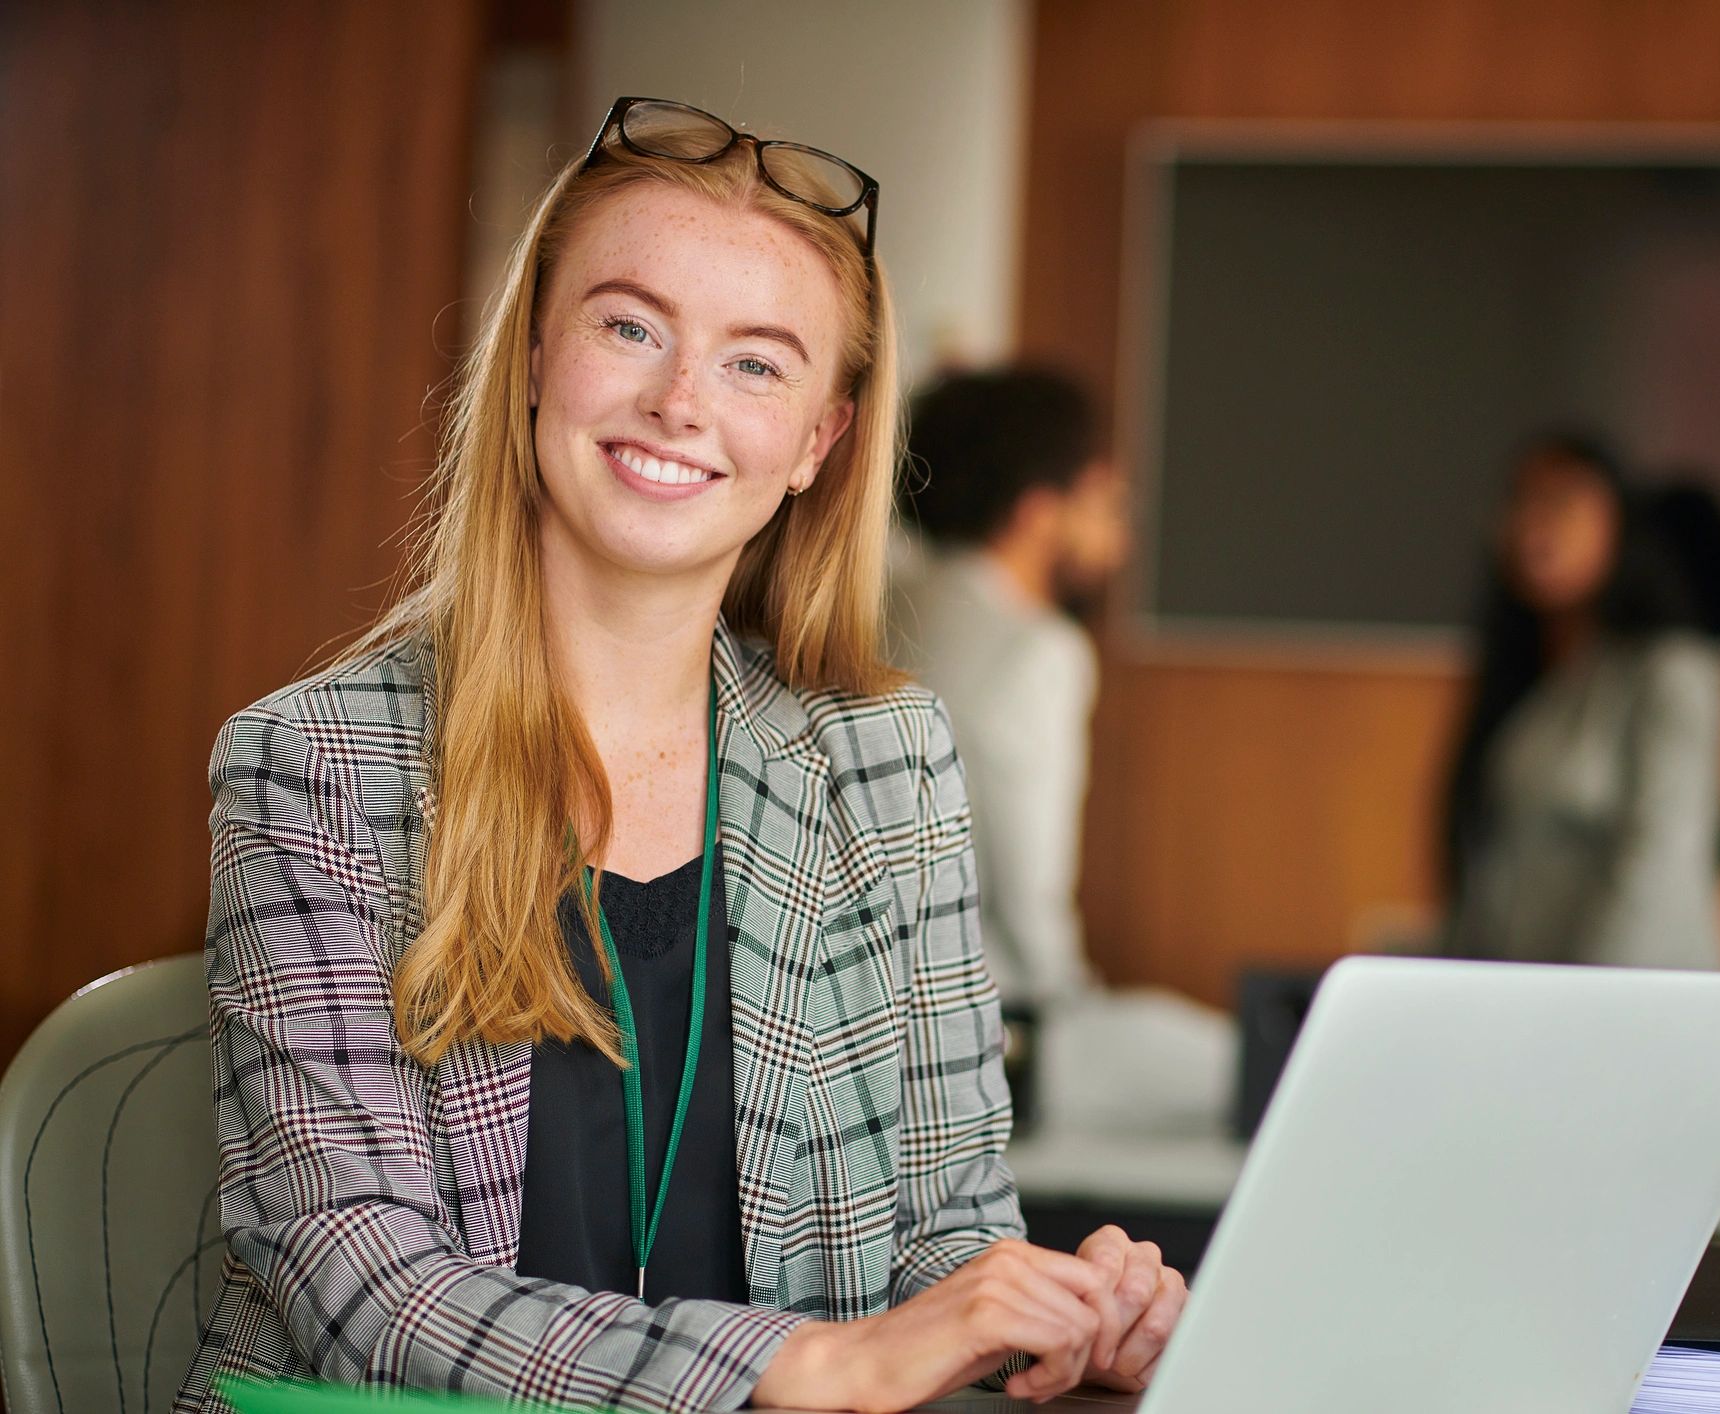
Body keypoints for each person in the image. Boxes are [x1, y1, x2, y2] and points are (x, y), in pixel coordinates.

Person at [176, 98, 1184, 1414]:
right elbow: (359, 1278)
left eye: (758, 363)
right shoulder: (315, 762)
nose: (679, 401)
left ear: (821, 440)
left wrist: (1042, 1310)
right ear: (538, 352)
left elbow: (941, 1227)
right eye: (630, 326)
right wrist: (802, 1359)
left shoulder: (884, 764)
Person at [890, 370, 1233, 1134]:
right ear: (1040, 512)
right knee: (1243, 1066)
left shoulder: (869, 608)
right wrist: (1068, 1002)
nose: (1123, 534)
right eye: (1109, 502)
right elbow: (1026, 886)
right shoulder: (1035, 650)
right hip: (983, 1031)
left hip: (849, 1013)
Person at [1438, 432, 1720, 972]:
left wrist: (1591, 1007)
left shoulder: (1670, 672)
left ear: (1619, 522)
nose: (1536, 525)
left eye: (1562, 502)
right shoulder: (1521, 675)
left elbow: (1664, 859)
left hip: (1634, 1001)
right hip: (1523, 999)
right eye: (1521, 502)